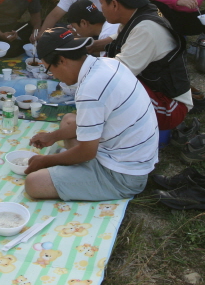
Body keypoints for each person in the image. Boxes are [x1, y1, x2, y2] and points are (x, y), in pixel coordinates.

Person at [24, 27, 158, 201]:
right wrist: (52, 136)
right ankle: (75, 170)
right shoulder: (106, 63)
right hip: (127, 157)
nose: (53, 76)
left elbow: (87, 153)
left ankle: (85, 176)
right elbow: (88, 122)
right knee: (69, 120)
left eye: (49, 69)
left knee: (34, 183)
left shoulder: (90, 89)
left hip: (123, 176)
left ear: (62, 60)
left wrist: (46, 161)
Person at [99, 0, 193, 132]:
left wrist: (78, 64)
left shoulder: (145, 29)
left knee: (111, 89)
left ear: (114, 4)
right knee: (107, 60)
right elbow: (116, 39)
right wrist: (91, 46)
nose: (101, 8)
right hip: (155, 90)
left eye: (101, 3)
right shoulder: (136, 12)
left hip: (170, 107)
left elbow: (114, 75)